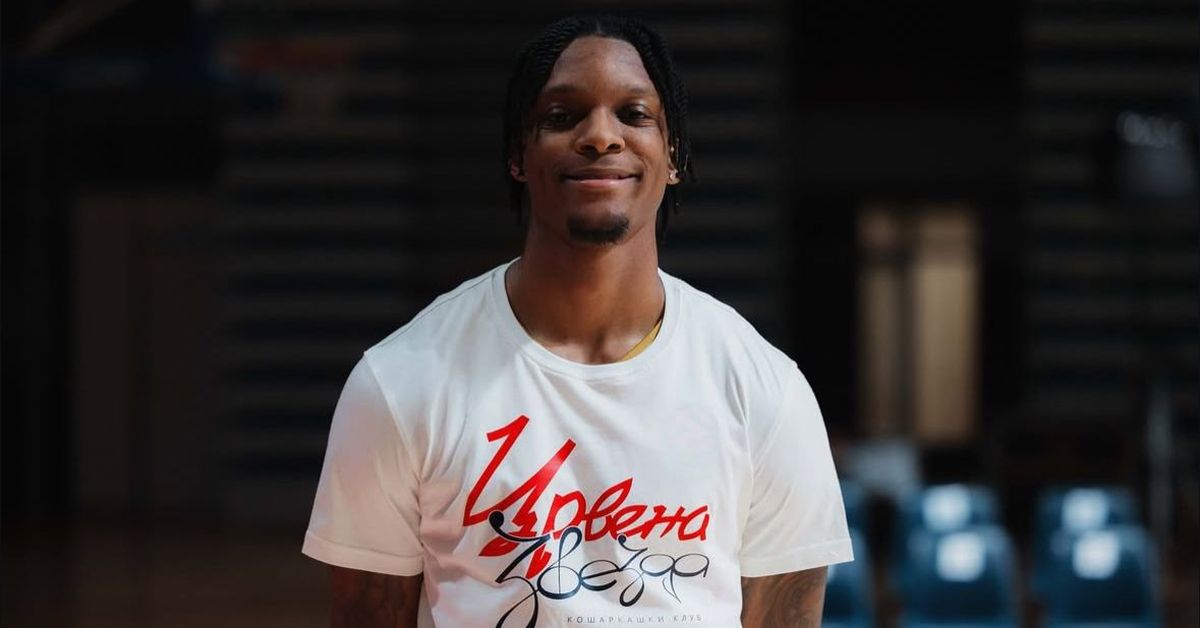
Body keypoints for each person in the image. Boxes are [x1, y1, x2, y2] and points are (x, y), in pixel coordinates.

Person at [302, 15, 852, 627]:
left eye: (634, 114)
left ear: (674, 155)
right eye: (563, 116)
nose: (600, 136)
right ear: (518, 154)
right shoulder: (399, 383)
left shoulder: (765, 389)